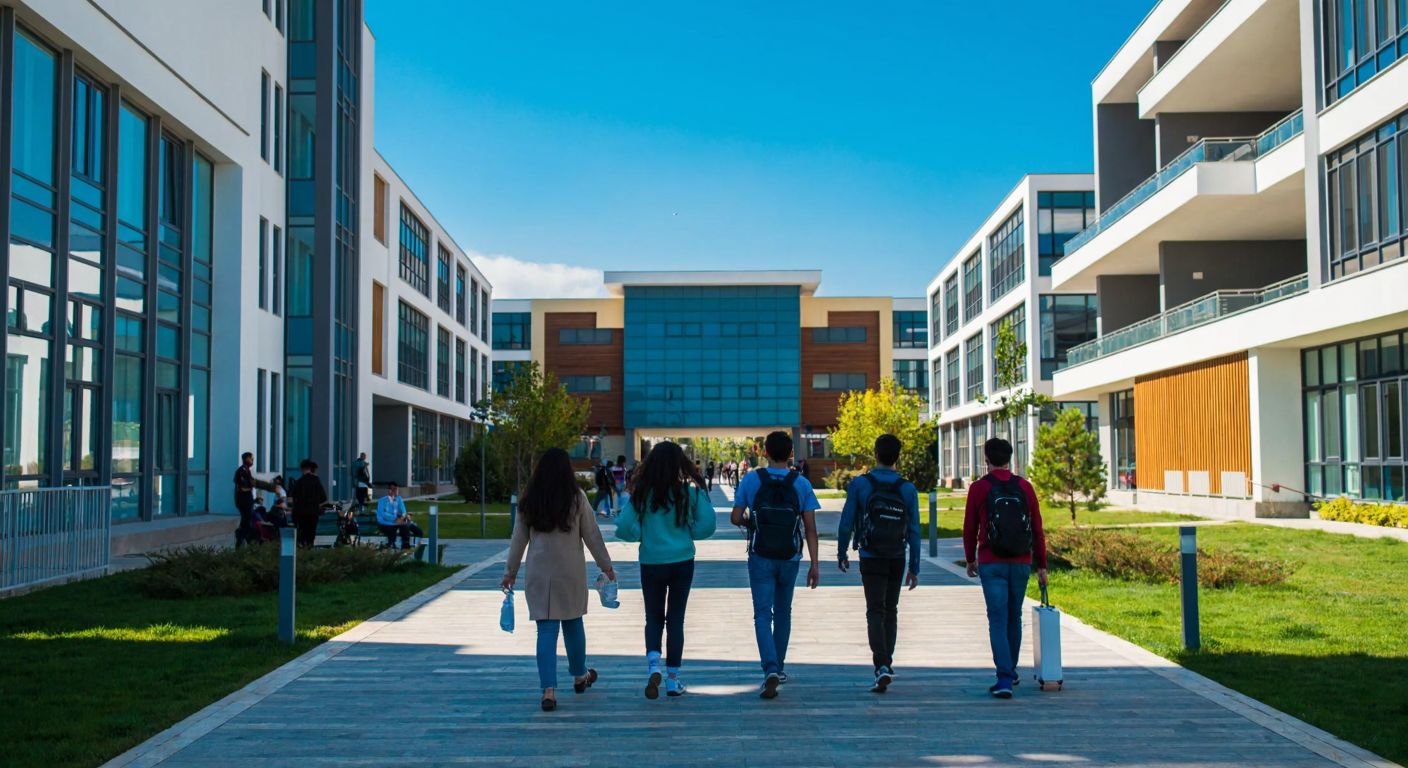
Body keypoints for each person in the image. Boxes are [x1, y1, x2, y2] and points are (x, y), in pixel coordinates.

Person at [501, 448, 616, 712]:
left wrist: (510, 572)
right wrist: (606, 566)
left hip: (539, 573)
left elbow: (518, 539)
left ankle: (549, 690)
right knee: (574, 625)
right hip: (570, 573)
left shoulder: (529, 499)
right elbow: (592, 536)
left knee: (546, 630)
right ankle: (579, 676)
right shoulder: (576, 498)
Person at [615, 441, 716, 699]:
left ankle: (653, 667)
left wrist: (642, 534)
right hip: (682, 560)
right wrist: (688, 532)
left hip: (651, 561)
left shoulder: (642, 494)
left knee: (653, 617)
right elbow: (708, 524)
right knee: (676, 619)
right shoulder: (689, 492)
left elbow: (624, 526)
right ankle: (673, 679)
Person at [730, 431, 820, 699]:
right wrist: (815, 565)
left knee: (762, 613)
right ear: (791, 453)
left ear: (765, 452)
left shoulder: (752, 479)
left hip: (761, 555)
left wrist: (752, 521)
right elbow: (811, 528)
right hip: (790, 557)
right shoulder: (801, 484)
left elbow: (735, 517)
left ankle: (769, 667)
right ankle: (778, 667)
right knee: (783, 612)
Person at [964, 437, 1047, 699]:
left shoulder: (979, 488)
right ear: (1010, 458)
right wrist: (1042, 564)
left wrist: (970, 558)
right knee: (1014, 617)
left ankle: (1004, 679)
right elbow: (1037, 528)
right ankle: (1010, 670)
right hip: (1021, 561)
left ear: (986, 458)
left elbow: (970, 527)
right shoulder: (1025, 486)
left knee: (997, 618)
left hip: (991, 561)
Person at [837, 434, 921, 693]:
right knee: (891, 609)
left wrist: (842, 552)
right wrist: (914, 567)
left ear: (875, 454)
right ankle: (887, 661)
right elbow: (915, 530)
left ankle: (880, 664)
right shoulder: (907, 489)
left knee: (874, 609)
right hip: (896, 555)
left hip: (870, 555)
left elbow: (846, 521)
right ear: (898, 456)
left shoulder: (861, 485)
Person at [290, 459, 327, 548]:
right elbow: (323, 498)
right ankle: (309, 547)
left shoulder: (299, 482)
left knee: (303, 532)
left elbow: (292, 498)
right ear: (310, 469)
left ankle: (303, 547)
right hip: (313, 512)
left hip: (301, 513)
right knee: (311, 533)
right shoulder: (316, 481)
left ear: (302, 469)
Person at [375, 482, 423, 549]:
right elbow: (384, 514)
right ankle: (397, 545)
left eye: (397, 489)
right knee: (400, 527)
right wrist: (395, 519)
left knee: (413, 529)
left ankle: (406, 545)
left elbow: (403, 511)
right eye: (394, 489)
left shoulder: (399, 499)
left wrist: (402, 517)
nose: (396, 491)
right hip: (386, 523)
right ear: (389, 490)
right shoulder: (382, 501)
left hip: (398, 522)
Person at [233, 452, 257, 546]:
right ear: (246, 459)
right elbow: (242, 487)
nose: (252, 461)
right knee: (246, 522)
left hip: (248, 501)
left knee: (247, 522)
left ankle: (245, 540)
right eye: (251, 458)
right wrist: (251, 487)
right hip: (244, 501)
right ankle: (241, 539)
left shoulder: (247, 470)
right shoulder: (241, 471)